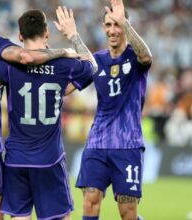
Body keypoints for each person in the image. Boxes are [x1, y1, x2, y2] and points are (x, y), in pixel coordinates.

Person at [0, 6, 97, 220]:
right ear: (47, 34)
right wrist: (73, 35)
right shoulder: (64, 65)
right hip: (50, 159)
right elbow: (92, 66)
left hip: (16, 160)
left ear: (20, 36)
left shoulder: (6, 66)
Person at [72, 0, 153, 219]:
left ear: (125, 25)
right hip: (97, 143)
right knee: (90, 202)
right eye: (108, 25)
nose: (112, 30)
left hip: (127, 145)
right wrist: (73, 36)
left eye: (117, 25)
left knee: (127, 212)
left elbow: (146, 57)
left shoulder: (135, 57)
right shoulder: (97, 60)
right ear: (103, 28)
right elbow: (73, 80)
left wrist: (125, 23)